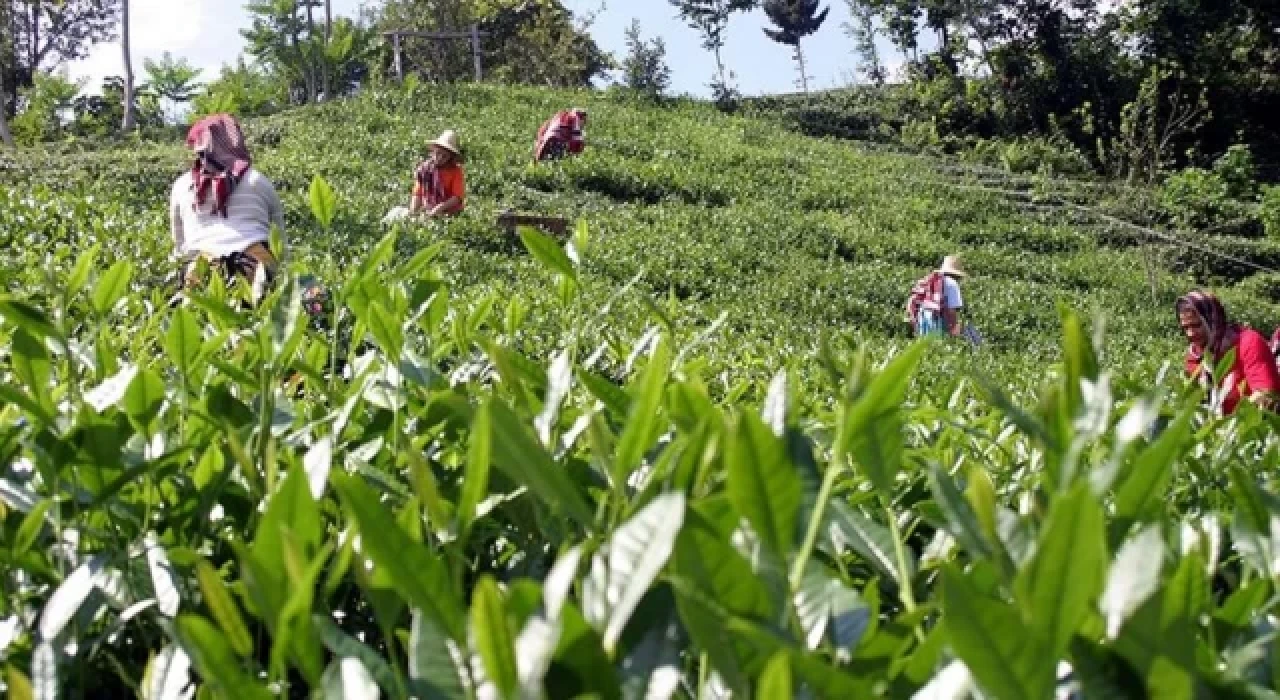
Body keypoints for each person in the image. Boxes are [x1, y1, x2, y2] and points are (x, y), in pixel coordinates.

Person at [170, 113, 283, 304]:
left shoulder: (182, 185)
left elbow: (180, 246)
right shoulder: (259, 181)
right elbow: (280, 239)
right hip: (256, 267)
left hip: (202, 270)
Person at [1177, 290, 1280, 415]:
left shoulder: (1248, 342)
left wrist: (1230, 424)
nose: (1190, 333)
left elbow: (1267, 394)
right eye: (1186, 327)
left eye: (1197, 325)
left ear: (1212, 320)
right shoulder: (1195, 356)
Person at [906, 255, 970, 339]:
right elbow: (951, 311)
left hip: (923, 319)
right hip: (936, 320)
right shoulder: (952, 284)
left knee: (925, 347)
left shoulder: (931, 279)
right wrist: (954, 329)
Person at [408, 130, 466, 218]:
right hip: (429, 209)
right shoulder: (425, 169)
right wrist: (413, 212)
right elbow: (418, 193)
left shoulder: (455, 171)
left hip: (451, 212)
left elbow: (457, 197)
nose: (439, 158)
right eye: (438, 153)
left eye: (444, 156)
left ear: (450, 157)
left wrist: (440, 207)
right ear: (433, 151)